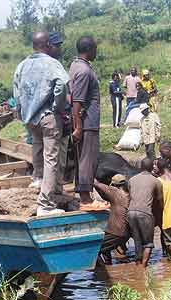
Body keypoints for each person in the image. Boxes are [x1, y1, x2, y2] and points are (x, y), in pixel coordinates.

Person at [13, 31, 69, 215]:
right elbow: (61, 85)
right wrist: (57, 106)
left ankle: (37, 182)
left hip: (30, 118)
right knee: (51, 158)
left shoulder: (22, 65)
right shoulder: (52, 64)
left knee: (37, 148)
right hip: (47, 116)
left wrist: (23, 112)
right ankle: (45, 205)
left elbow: (16, 93)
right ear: (47, 44)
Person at [69, 36, 108, 211]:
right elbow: (77, 100)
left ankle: (85, 194)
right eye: (96, 48)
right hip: (87, 122)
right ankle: (85, 199)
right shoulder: (84, 71)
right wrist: (78, 126)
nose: (97, 52)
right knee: (87, 159)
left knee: (82, 158)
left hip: (84, 121)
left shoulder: (75, 66)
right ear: (90, 49)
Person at [128, 158, 163, 268]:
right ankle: (143, 269)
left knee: (137, 241)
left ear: (141, 167)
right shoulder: (156, 181)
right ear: (152, 167)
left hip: (130, 213)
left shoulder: (131, 180)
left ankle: (137, 265)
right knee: (148, 243)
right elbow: (160, 200)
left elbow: (130, 196)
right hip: (145, 213)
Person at [94, 175, 130, 265]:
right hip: (126, 233)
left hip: (116, 232)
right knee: (106, 249)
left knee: (93, 250)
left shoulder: (116, 192)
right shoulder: (129, 194)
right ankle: (108, 263)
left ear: (114, 185)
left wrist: (87, 174)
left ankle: (102, 270)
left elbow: (97, 185)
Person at [157, 158, 171, 262]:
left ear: (159, 168)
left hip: (169, 217)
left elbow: (159, 202)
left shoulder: (159, 181)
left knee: (170, 241)